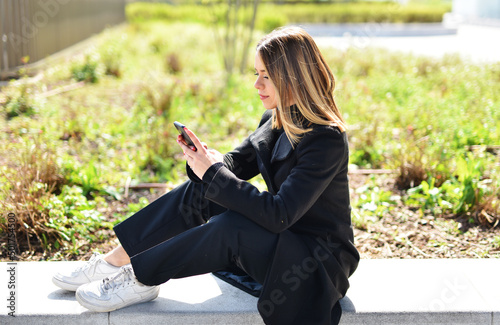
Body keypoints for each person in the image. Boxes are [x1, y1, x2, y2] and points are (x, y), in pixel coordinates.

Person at [52, 26, 359, 324]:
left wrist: (215, 173)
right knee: (202, 190)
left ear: (295, 78)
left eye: (267, 76)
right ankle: (114, 261)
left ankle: (142, 277)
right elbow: (234, 165)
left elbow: (280, 214)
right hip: (284, 241)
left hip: (316, 263)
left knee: (231, 224)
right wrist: (205, 160)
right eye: (256, 74)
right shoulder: (274, 119)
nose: (257, 85)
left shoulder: (325, 139)